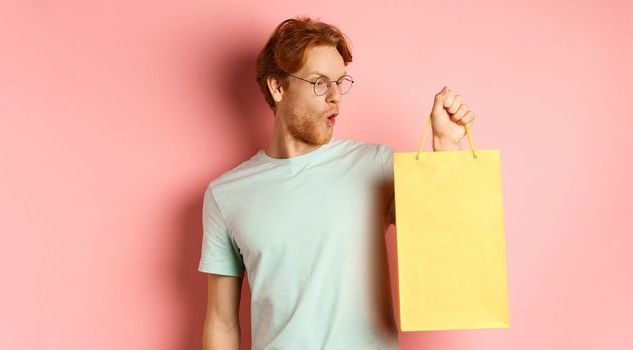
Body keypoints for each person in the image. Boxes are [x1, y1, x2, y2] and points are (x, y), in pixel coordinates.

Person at [199, 16, 477, 350]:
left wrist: (446, 145)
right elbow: (222, 322)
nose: (335, 97)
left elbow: (445, 235)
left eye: (339, 82)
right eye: (319, 82)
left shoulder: (376, 165)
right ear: (278, 87)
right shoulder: (225, 195)